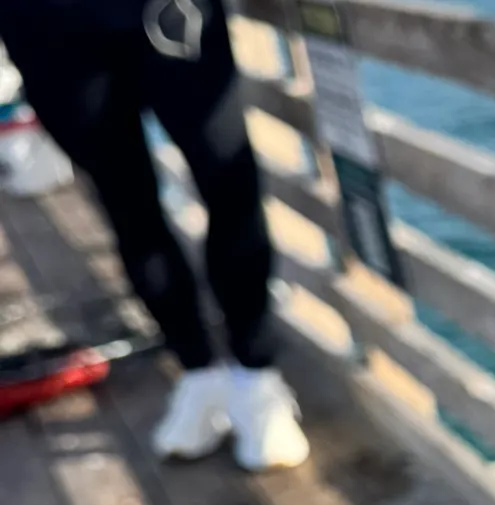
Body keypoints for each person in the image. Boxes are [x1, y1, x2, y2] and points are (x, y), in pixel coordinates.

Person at [0, 0, 309, 471]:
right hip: (46, 26)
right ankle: (198, 372)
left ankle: (257, 376)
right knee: (127, 209)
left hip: (167, 10)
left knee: (228, 180)